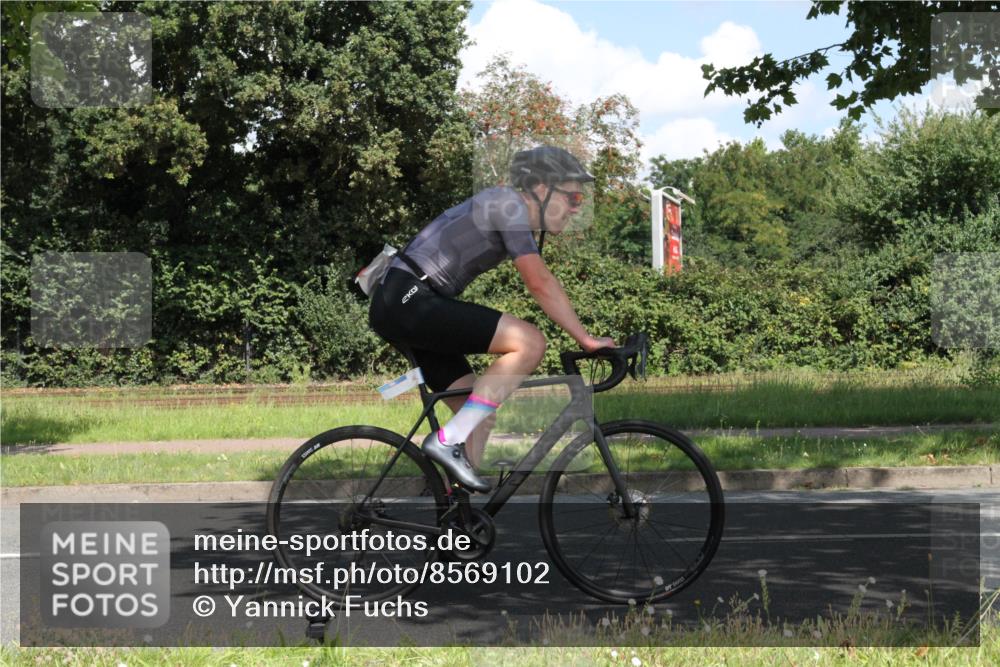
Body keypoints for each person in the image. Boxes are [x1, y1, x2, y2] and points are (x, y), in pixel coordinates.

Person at [368, 146, 615, 493]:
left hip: (406, 302)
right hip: (407, 298)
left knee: (479, 416)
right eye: (573, 197)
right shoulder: (507, 205)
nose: (577, 207)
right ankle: (447, 440)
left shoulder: (511, 210)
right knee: (530, 342)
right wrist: (586, 339)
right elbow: (539, 283)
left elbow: (542, 282)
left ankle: (455, 513)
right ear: (541, 188)